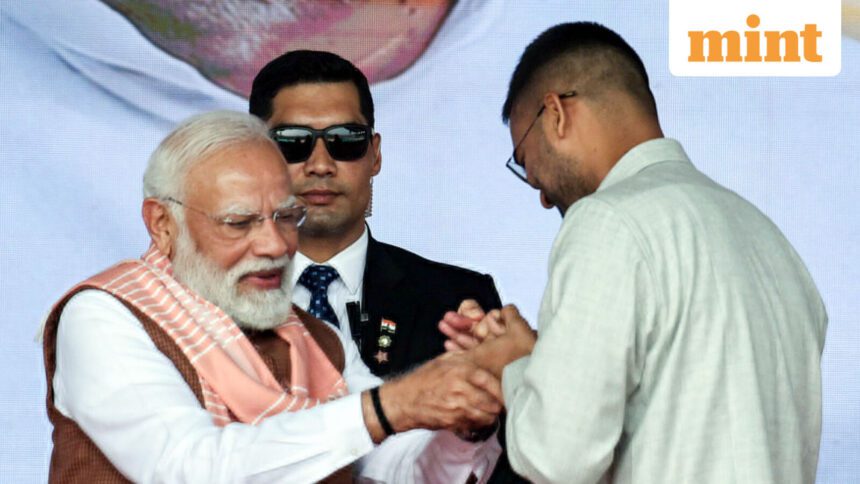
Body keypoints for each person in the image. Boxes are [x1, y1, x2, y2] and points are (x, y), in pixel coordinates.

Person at [441, 22, 828, 483]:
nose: (540, 194)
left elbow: (557, 458)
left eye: (525, 161)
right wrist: (542, 360)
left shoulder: (608, 222)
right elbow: (687, 418)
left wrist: (512, 365)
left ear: (556, 114)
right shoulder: (770, 242)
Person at [42, 110, 503, 483]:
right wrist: (388, 407)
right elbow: (190, 468)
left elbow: (399, 468)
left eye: (286, 217)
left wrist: (466, 410)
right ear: (162, 224)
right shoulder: (104, 317)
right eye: (239, 222)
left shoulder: (315, 336)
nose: (275, 245)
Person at [248, 50, 502, 378]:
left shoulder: (457, 302)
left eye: (345, 140)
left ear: (375, 155)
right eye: (293, 142)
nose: (320, 165)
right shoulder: (208, 302)